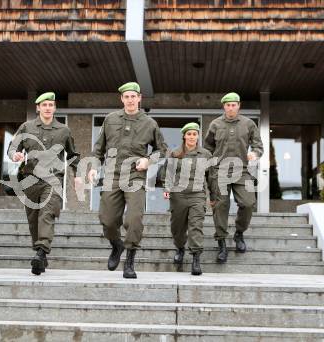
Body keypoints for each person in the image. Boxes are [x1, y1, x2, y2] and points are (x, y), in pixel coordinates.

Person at [88, 82, 168, 279]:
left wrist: (148, 160)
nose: (130, 100)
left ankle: (130, 261)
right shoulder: (110, 119)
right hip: (112, 176)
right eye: (127, 97)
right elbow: (99, 149)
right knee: (107, 221)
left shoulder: (149, 123)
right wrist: (93, 168)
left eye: (134, 96)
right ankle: (117, 245)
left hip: (135, 177)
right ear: (122, 99)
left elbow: (162, 150)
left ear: (139, 98)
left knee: (134, 220)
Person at [8, 92, 81, 275]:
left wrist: (77, 175)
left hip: (53, 180)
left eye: (51, 105)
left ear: (55, 108)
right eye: (44, 105)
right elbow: (12, 147)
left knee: (46, 215)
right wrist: (14, 155)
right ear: (38, 108)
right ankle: (40, 253)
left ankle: (40, 253)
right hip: (30, 179)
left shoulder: (64, 130)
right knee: (33, 220)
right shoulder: (27, 127)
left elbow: (72, 156)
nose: (48, 108)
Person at [204, 92, 264, 263]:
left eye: (234, 105)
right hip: (219, 171)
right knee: (220, 206)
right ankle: (221, 243)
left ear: (239, 106)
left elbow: (258, 145)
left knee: (248, 203)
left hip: (242, 170)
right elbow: (207, 147)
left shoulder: (248, 124)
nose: (231, 108)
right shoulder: (215, 124)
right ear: (224, 106)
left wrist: (255, 153)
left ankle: (239, 233)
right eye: (228, 105)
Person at [163, 122, 214, 276]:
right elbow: (169, 173)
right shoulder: (175, 153)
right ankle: (179, 248)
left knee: (195, 226)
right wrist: (167, 188)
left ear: (198, 136)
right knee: (177, 228)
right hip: (178, 195)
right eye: (189, 134)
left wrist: (214, 195)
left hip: (197, 195)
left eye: (194, 134)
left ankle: (196, 258)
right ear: (184, 136)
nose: (192, 137)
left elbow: (211, 176)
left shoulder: (206, 154)